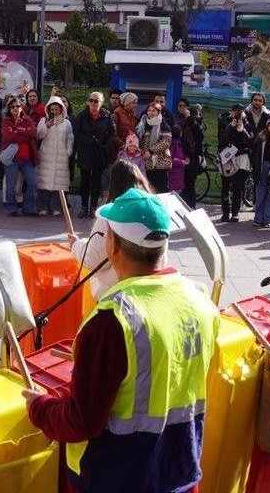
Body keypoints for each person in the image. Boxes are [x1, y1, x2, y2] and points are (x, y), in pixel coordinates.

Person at [25, 188, 218, 493]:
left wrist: (40, 408)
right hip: (181, 469)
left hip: (119, 476)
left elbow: (81, 422)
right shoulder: (200, 300)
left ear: (112, 245)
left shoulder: (112, 321)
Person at [71, 160, 154, 300]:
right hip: (148, 289)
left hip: (116, 292)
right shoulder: (154, 210)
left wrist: (76, 245)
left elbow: (94, 259)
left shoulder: (112, 214)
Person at [74, 92, 116, 218]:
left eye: (96, 101)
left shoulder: (107, 115)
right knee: (85, 181)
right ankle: (83, 207)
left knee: (97, 182)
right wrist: (87, 140)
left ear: (101, 103)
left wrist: (106, 147)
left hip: (100, 153)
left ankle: (93, 207)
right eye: (91, 100)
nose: (93, 103)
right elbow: (76, 132)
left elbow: (113, 133)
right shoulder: (82, 115)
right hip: (85, 152)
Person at [1, 97, 39, 217]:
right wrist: (26, 135)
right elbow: (9, 136)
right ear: (9, 109)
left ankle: (28, 208)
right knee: (11, 186)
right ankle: (11, 208)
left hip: (26, 159)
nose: (15, 109)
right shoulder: (6, 121)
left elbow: (34, 132)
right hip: (12, 158)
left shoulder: (26, 119)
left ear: (21, 107)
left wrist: (18, 130)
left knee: (33, 183)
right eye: (12, 107)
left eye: (17, 106)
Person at [36, 98, 74, 216]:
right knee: (44, 183)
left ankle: (56, 208)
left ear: (61, 109)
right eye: (52, 109)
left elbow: (70, 138)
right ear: (48, 110)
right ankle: (42, 207)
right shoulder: (43, 120)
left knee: (59, 184)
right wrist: (47, 126)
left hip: (61, 157)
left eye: (56, 109)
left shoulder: (67, 123)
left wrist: (68, 151)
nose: (54, 111)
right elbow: (38, 135)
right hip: (46, 156)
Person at [218, 104, 253, 223]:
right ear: (232, 112)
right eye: (235, 111)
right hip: (228, 160)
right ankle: (225, 213)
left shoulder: (247, 125)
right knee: (225, 187)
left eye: (240, 112)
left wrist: (242, 130)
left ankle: (235, 213)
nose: (237, 114)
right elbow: (222, 141)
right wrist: (230, 128)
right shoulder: (227, 124)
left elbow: (250, 142)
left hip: (242, 159)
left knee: (238, 188)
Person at [136, 103, 171, 192]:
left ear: (158, 112)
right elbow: (140, 139)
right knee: (148, 189)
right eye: (149, 110)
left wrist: (151, 151)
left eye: (153, 111)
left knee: (161, 189)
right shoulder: (143, 123)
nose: (151, 113)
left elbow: (166, 142)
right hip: (146, 163)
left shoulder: (163, 124)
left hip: (160, 163)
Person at [177, 98, 205, 208]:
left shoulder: (196, 120)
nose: (182, 108)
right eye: (180, 106)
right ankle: (184, 206)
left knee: (189, 183)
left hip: (192, 157)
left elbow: (199, 135)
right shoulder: (177, 119)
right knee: (182, 184)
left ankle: (190, 206)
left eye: (184, 106)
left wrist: (190, 118)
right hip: (180, 155)